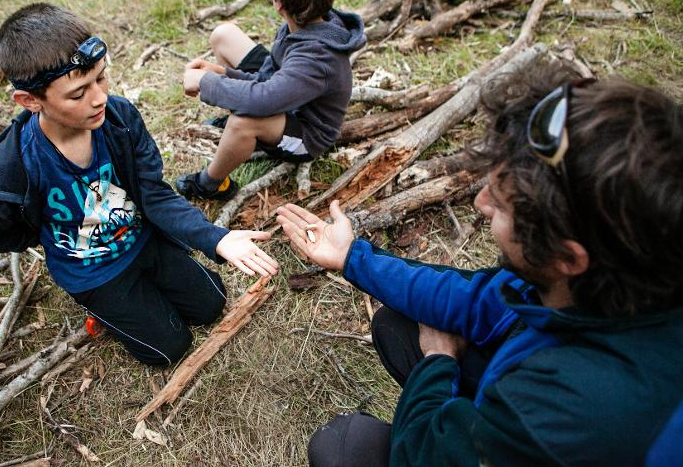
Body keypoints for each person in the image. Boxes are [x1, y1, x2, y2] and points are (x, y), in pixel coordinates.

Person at [276, 66, 683, 466]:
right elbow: (473, 299)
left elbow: (419, 456)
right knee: (397, 326)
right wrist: (352, 257)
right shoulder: (611, 269)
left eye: (501, 204)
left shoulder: (558, 410)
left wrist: (439, 363)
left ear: (568, 258)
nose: (480, 203)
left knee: (345, 448)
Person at [0, 3, 279, 367]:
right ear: (30, 100)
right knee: (168, 349)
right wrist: (37, 233)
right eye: (78, 93)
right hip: (93, 273)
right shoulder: (15, 164)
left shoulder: (119, 118)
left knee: (211, 303)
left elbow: (154, 194)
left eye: (101, 78)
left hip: (141, 239)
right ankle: (105, 308)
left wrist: (216, 238)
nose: (99, 97)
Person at [175, 0, 366, 201]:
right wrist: (223, 74)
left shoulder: (316, 59)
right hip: (284, 93)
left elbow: (263, 100)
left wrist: (208, 83)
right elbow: (266, 80)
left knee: (244, 121)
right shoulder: (303, 22)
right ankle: (236, 128)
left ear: (278, 3)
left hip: (306, 134)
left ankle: (210, 184)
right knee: (224, 36)